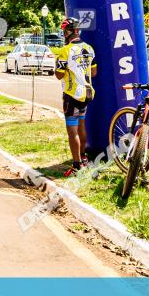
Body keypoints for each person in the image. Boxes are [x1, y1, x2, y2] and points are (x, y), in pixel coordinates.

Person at [51, 17, 97, 177]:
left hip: (72, 95)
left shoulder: (65, 51)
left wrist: (58, 63)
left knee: (72, 131)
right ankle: (83, 157)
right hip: (87, 93)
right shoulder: (89, 48)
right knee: (81, 125)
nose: (63, 34)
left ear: (68, 32)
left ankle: (77, 164)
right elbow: (93, 72)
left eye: (64, 31)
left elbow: (59, 75)